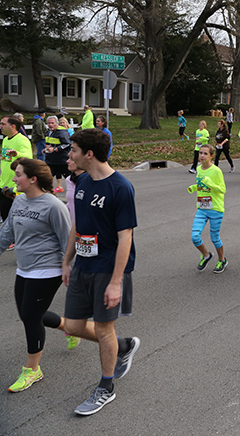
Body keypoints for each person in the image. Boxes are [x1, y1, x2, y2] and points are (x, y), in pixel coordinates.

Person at [61, 128, 140, 415]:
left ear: (89, 154)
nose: (70, 155)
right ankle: (123, 346)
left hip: (108, 269)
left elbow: (125, 237)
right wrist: (66, 262)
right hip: (83, 265)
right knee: (72, 326)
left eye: (74, 150)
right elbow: (77, 226)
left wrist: (116, 282)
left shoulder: (120, 187)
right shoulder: (82, 183)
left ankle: (106, 388)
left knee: (104, 328)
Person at [2, 159, 74, 393]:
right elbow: (6, 233)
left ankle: (33, 370)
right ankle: (69, 327)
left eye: (19, 174)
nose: (14, 179)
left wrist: (68, 267)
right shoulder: (20, 200)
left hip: (48, 269)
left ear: (33, 179)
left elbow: (67, 240)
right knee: (28, 314)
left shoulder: (54, 206)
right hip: (24, 267)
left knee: (31, 318)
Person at [188, 144, 228, 273]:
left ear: (211, 156)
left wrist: (210, 183)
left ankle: (222, 260)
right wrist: (194, 187)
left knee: (214, 238)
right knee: (195, 237)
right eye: (200, 153)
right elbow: (202, 185)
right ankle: (206, 255)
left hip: (215, 208)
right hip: (202, 208)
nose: (202, 156)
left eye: (205, 153)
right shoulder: (199, 169)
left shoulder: (216, 171)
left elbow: (223, 189)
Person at [0, 115, 34, 220]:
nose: (0, 126)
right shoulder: (5, 139)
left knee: (15, 219)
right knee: (5, 217)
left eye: (3, 124)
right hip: (4, 184)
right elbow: (6, 159)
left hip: (15, 188)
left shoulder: (22, 140)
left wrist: (17, 154)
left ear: (12, 126)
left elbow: (28, 157)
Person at [44, 116, 71, 193]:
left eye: (52, 123)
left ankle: (74, 190)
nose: (50, 125)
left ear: (57, 123)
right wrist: (45, 149)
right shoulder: (48, 132)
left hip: (62, 160)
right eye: (49, 123)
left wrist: (56, 149)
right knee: (47, 177)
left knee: (69, 178)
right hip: (51, 160)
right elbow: (49, 143)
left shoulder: (62, 132)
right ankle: (48, 192)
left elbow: (67, 144)